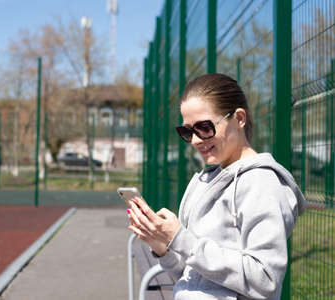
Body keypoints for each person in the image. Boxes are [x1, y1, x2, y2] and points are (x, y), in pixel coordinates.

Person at [127, 73, 306, 300]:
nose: (195, 140)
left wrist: (181, 239)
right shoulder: (206, 179)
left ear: (239, 119)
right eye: (187, 131)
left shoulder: (262, 183)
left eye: (204, 127)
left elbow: (266, 280)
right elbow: (189, 272)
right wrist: (162, 244)